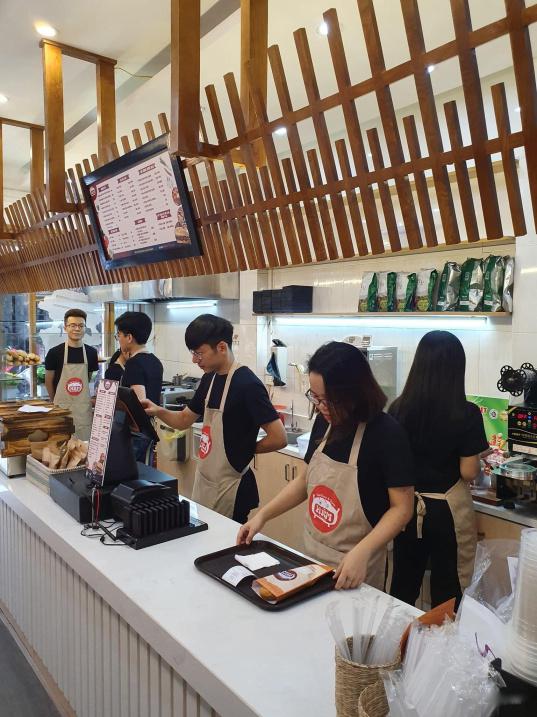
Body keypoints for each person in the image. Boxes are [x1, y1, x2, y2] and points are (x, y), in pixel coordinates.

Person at [237, 341, 414, 591]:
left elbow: (402, 508)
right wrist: (263, 516)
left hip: (358, 565)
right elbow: (304, 481)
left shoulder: (387, 434)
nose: (321, 407)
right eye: (316, 397)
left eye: (329, 400)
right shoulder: (324, 423)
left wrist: (362, 551)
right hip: (312, 555)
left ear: (355, 392)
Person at [142, 314, 287, 523]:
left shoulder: (248, 385)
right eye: (193, 353)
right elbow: (184, 420)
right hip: (205, 482)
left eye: (199, 353)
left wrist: (245, 450)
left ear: (221, 347)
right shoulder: (209, 378)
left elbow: (279, 437)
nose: (194, 360)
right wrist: (158, 411)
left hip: (232, 488)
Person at [388, 330, 488, 608]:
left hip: (405, 509)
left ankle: (398, 635)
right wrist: (477, 456)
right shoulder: (466, 413)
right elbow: (469, 472)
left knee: (403, 586)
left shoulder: (397, 408)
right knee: (448, 591)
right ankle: (440, 636)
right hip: (447, 514)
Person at [114, 311, 163, 462]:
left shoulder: (134, 364)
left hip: (136, 434)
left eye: (119, 335)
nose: (118, 339)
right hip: (149, 429)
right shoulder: (155, 361)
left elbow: (139, 404)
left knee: (131, 472)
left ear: (129, 337)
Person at [45, 308, 98, 440]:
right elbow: (48, 381)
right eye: (72, 325)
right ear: (65, 327)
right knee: (60, 444)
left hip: (83, 411)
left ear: (85, 328)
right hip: (61, 409)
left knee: (83, 447)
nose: (77, 329)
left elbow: (87, 378)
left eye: (81, 325)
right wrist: (55, 402)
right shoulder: (54, 353)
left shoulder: (91, 353)